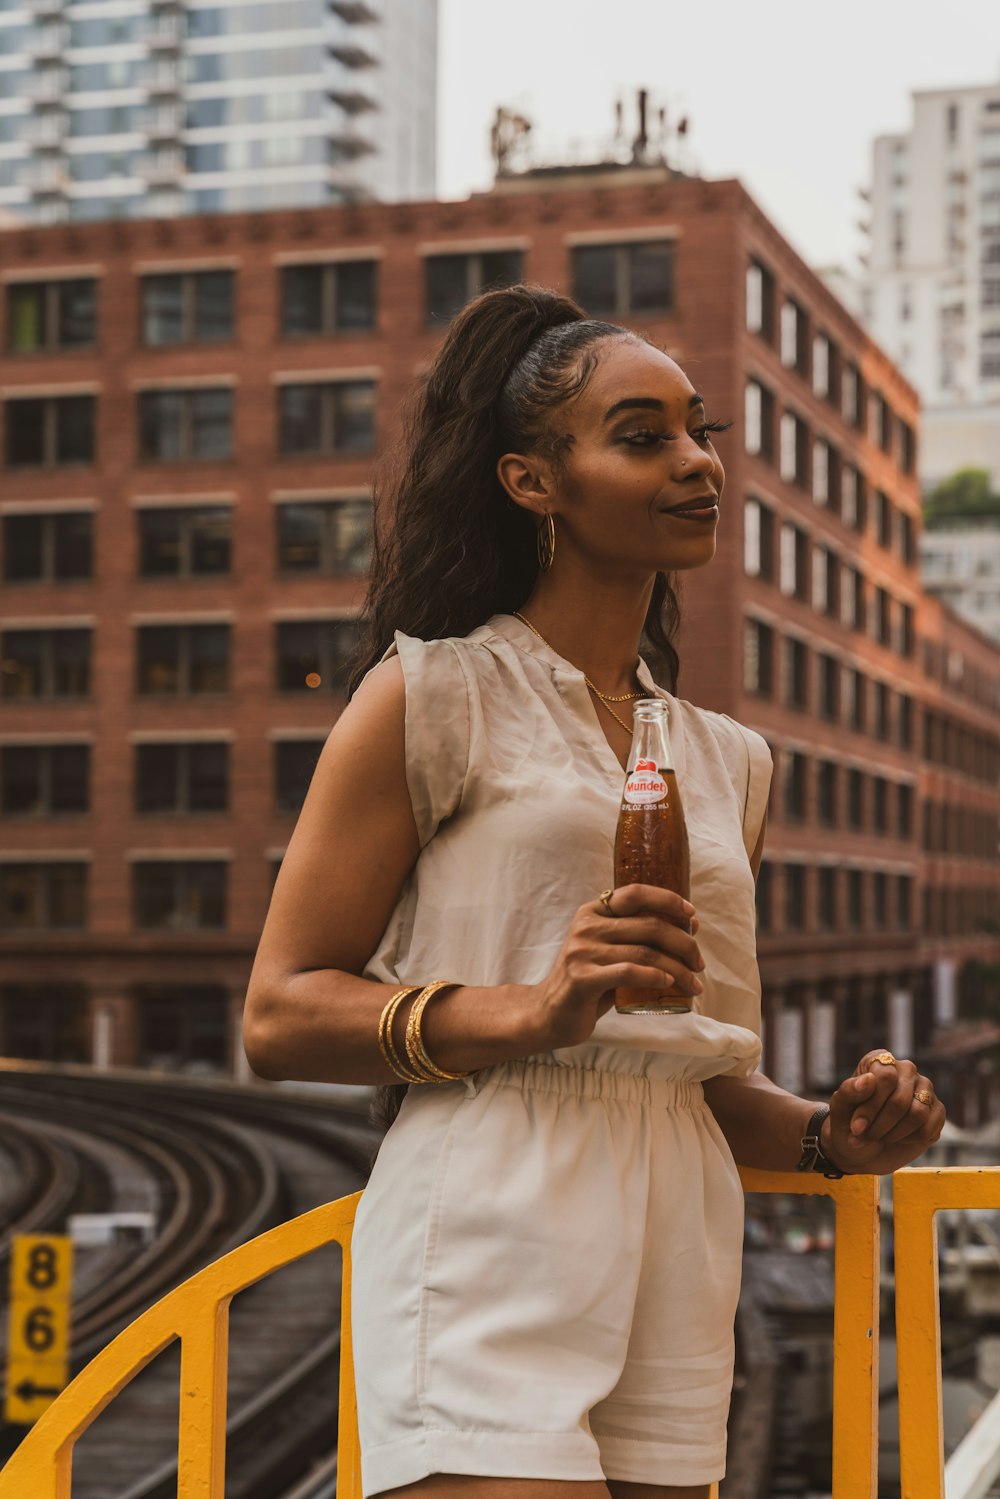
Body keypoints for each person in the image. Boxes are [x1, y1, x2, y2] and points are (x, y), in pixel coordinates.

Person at [244, 284, 945, 1499]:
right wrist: (533, 1008)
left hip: (681, 1222)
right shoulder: (433, 696)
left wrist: (838, 1135)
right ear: (532, 481)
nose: (696, 465)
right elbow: (279, 1014)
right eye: (641, 436)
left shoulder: (731, 758)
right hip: (490, 1201)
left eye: (698, 431)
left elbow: (698, 1074)